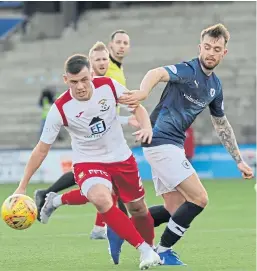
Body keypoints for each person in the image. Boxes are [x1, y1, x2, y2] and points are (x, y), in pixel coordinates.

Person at [118, 23, 254, 265]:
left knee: (175, 209)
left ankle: (122, 230)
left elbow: (221, 125)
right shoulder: (188, 69)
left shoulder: (216, 86)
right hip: (160, 140)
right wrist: (142, 92)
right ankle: (161, 251)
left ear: (224, 53)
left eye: (217, 49)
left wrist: (239, 160)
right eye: (208, 47)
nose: (211, 52)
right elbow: (156, 73)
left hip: (170, 145)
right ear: (200, 47)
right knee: (199, 199)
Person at [14, 54, 160, 270]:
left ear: (91, 74)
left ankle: (56, 201)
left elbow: (137, 107)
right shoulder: (60, 108)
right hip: (88, 161)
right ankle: (144, 250)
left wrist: (146, 126)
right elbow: (41, 149)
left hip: (121, 157)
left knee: (138, 209)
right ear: (66, 80)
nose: (80, 86)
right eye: (74, 82)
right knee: (102, 199)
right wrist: (22, 185)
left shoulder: (109, 86)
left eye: (84, 79)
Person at [34, 33, 133, 240]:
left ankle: (102, 227)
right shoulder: (101, 80)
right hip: (93, 145)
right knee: (104, 187)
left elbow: (111, 112)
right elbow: (96, 115)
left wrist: (134, 120)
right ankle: (113, 227)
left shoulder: (115, 76)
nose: (102, 62)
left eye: (104, 59)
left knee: (108, 188)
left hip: (107, 139)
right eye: (97, 60)